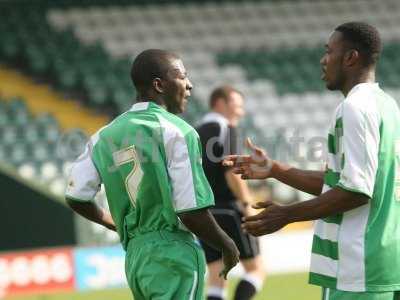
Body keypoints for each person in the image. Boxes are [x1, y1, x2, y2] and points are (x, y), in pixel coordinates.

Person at [224, 22, 400, 300]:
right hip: (385, 262)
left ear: (351, 58)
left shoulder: (355, 108)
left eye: (329, 51)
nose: (323, 59)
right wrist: (276, 169)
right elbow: (346, 183)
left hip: (357, 268)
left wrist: (287, 214)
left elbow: (356, 191)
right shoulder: (386, 104)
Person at [65, 49, 239, 300]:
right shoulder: (178, 132)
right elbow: (190, 210)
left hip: (136, 256)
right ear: (159, 85)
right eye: (182, 76)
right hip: (173, 254)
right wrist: (227, 244)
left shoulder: (103, 136)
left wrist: (112, 222)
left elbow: (76, 196)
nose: (189, 85)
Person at [196, 86, 265, 300]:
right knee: (256, 270)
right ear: (220, 103)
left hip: (203, 213)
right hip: (229, 209)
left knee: (217, 276)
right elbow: (231, 172)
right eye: (237, 104)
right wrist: (247, 205)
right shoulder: (225, 128)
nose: (241, 111)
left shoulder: (195, 131)